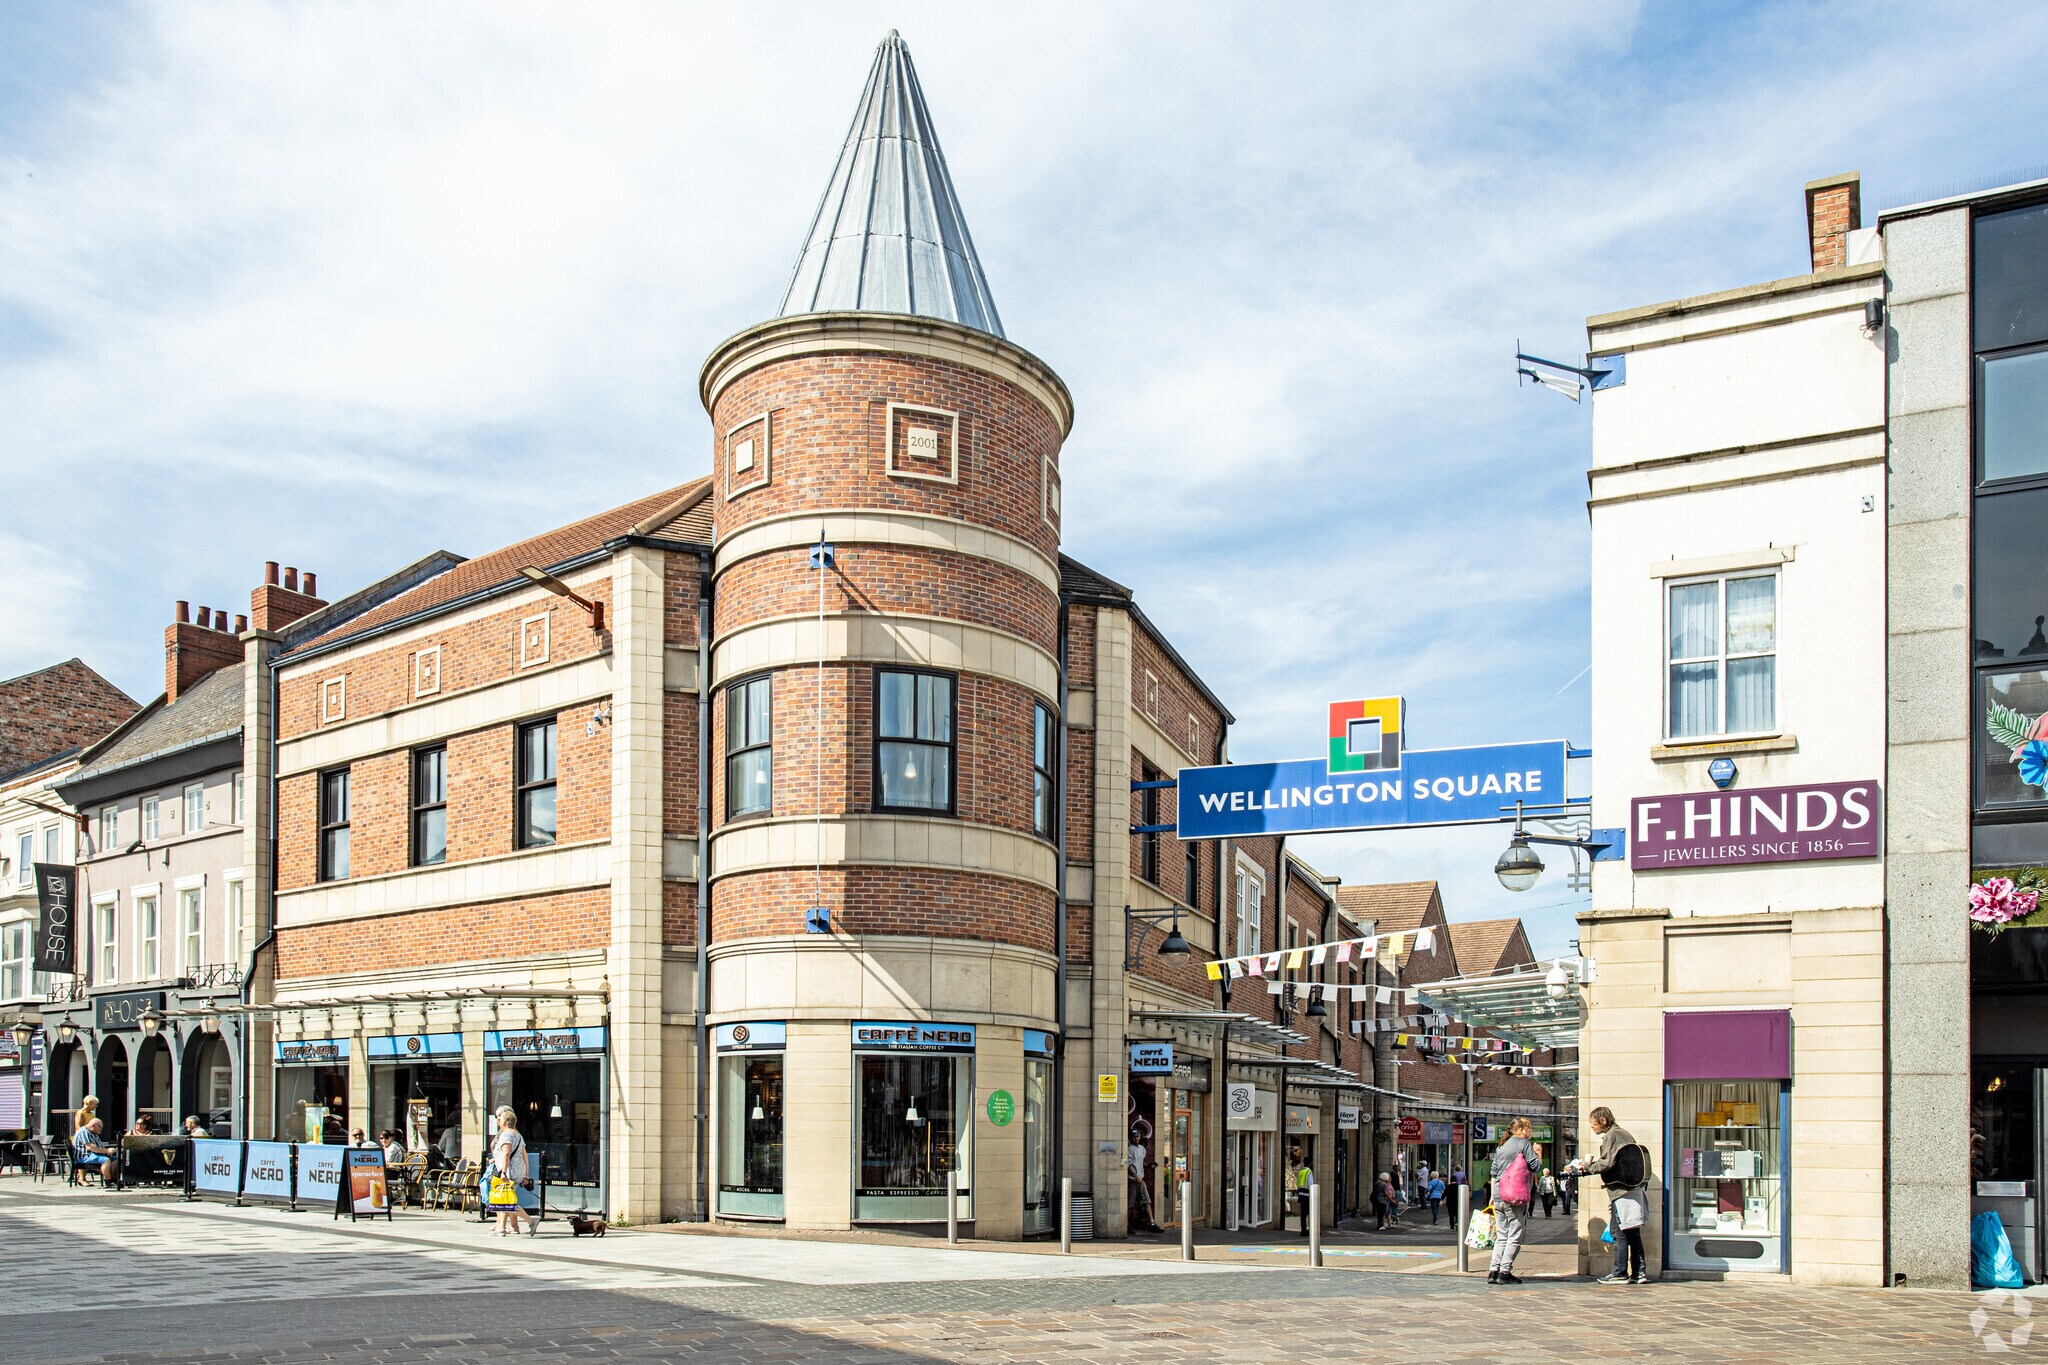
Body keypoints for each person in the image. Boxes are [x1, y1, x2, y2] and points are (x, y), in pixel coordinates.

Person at [1567, 1105, 1650, 1284]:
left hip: (1621, 1191)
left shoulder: (1612, 1135)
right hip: (1632, 1189)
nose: (1592, 1126)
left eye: (1593, 1123)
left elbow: (1607, 1162)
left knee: (1619, 1233)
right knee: (1633, 1232)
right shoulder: (1623, 1133)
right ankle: (1639, 1272)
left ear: (1603, 1120)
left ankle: (1620, 1272)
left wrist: (1587, 1166)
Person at [1487, 1117, 1540, 1285]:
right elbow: (1535, 1166)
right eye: (1529, 1129)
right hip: (1515, 1196)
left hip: (1499, 1195)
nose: (1530, 1132)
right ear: (1522, 1130)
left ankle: (1493, 1271)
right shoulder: (1523, 1144)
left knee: (1501, 1236)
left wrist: (1492, 1196)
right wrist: (1538, 1154)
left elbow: (1494, 1172)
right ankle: (1505, 1272)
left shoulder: (1501, 1146)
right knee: (1515, 1236)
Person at [489, 1106, 536, 1237]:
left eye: (500, 1120)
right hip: (517, 1171)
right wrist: (526, 1174)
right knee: (506, 1199)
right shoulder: (518, 1135)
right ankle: (505, 1226)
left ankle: (529, 1221)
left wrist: (503, 1172)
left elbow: (506, 1154)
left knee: (506, 1200)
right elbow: (524, 1156)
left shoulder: (506, 1135)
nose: (498, 1122)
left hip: (509, 1172)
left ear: (504, 1122)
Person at [72, 1117, 123, 1188]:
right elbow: (91, 1147)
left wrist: (108, 1152)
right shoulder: (84, 1132)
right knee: (105, 1160)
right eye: (100, 1127)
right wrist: (107, 1151)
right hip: (85, 1157)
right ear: (93, 1125)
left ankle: (115, 1179)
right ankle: (108, 1181)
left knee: (116, 1159)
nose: (101, 1130)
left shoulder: (93, 1133)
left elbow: (98, 1146)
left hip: (94, 1155)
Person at [1127, 1138, 1157, 1233]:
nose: (1136, 1138)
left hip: (1140, 1179)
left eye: (1138, 1136)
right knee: (1130, 1204)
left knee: (1147, 1201)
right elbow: (1128, 1165)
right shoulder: (1130, 1149)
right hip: (1133, 1180)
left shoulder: (1142, 1149)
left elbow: (1141, 1162)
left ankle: (1152, 1224)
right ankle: (1128, 1225)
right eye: (1134, 1137)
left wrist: (1149, 1165)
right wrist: (1135, 1176)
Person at [1291, 1150, 1315, 1238]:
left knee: (1303, 1214)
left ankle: (1303, 1229)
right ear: (1310, 1164)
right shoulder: (1309, 1172)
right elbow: (1311, 1185)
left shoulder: (1301, 1172)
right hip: (1307, 1195)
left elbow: (1297, 1183)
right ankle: (1312, 1230)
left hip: (1301, 1195)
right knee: (1311, 1213)